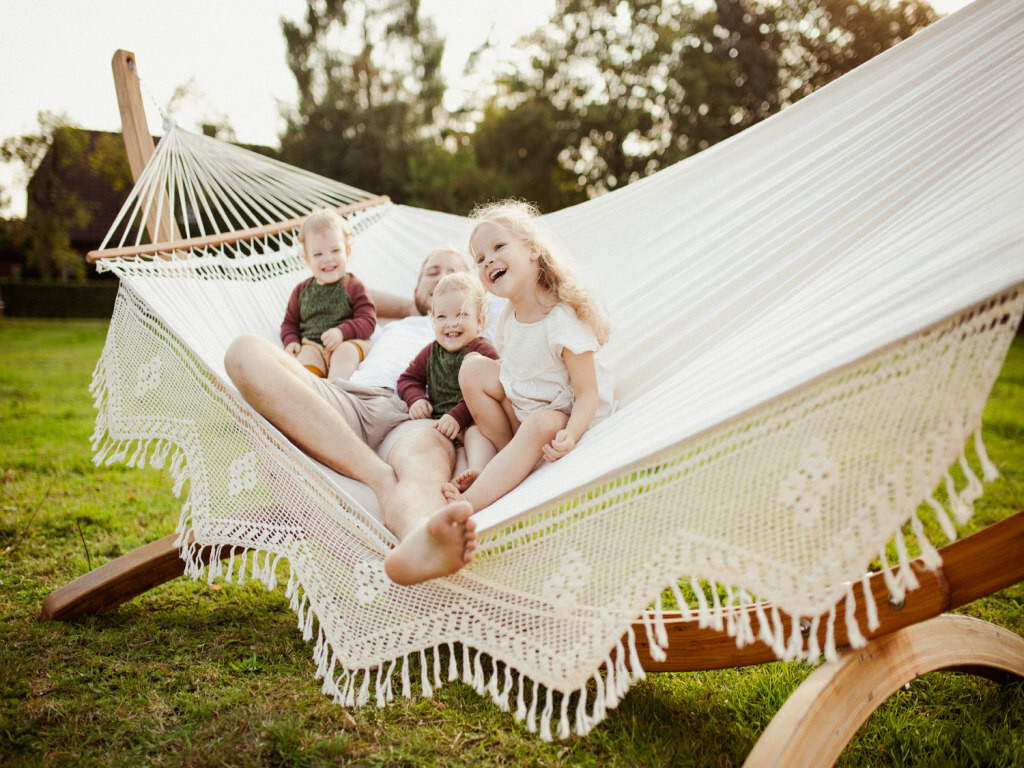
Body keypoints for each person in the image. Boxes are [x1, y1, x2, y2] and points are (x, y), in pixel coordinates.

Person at [225, 246, 478, 587]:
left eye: (453, 274)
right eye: (432, 273)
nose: (442, 279)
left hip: (416, 417)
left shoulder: (483, 333)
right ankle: (381, 479)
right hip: (349, 397)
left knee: (425, 466)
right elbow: (353, 290)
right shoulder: (390, 324)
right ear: (416, 290)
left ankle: (420, 541)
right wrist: (413, 304)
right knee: (244, 352)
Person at [440, 199, 615, 515]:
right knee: (471, 369)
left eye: (498, 247)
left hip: (561, 415)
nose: (488, 260)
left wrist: (571, 434)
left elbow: (587, 393)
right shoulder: (509, 317)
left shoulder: (561, 320)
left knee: (536, 424)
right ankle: (510, 459)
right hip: (524, 408)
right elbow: (520, 371)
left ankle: (470, 503)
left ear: (532, 250)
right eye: (480, 258)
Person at [397, 272, 500, 475]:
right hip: (443, 427)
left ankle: (479, 471)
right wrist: (416, 398)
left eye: (461, 315)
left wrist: (458, 417)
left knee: (476, 437)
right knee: (446, 454)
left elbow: (495, 389)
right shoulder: (430, 353)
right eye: (442, 316)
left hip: (473, 422)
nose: (451, 323)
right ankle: (461, 481)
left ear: (479, 321)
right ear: (433, 321)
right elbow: (407, 379)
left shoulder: (481, 350)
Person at [281, 209, 376, 380]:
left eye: (335, 251)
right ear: (307, 259)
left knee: (345, 352)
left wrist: (342, 332)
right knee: (303, 362)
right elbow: (289, 323)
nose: (327, 259)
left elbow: (368, 321)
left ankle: (336, 389)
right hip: (312, 345)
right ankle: (313, 389)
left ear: (347, 252)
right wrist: (291, 341)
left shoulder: (354, 286)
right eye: (318, 254)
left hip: (348, 341)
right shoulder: (301, 291)